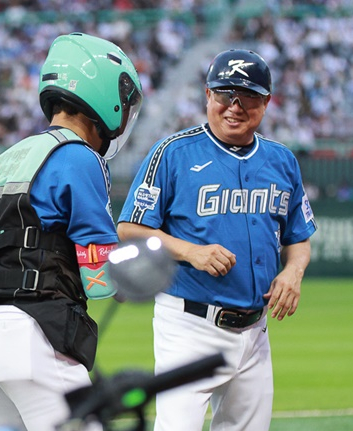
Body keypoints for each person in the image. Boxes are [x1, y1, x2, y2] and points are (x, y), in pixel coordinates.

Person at [117, 48, 317, 431]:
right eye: (225, 94)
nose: (235, 107)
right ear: (208, 96)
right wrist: (190, 251)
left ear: (267, 102)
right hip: (189, 324)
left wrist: (294, 272)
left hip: (255, 331)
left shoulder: (282, 161)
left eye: (248, 97)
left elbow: (298, 236)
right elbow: (130, 228)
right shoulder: (173, 153)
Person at [0, 33, 143, 431]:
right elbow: (99, 274)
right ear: (106, 95)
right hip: (32, 336)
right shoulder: (78, 156)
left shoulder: (5, 160)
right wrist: (134, 275)